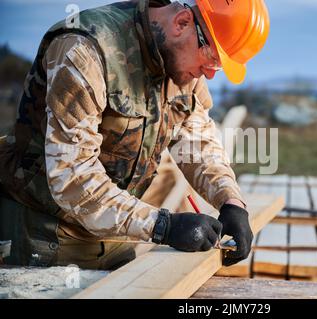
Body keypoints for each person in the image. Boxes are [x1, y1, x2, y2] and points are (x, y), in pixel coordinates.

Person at [0, 0, 269, 270]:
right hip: (44, 236)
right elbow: (72, 176)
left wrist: (231, 201)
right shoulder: (84, 51)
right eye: (212, 58)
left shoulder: (183, 63)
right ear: (183, 23)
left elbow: (196, 141)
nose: (210, 74)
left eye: (219, 66)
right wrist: (164, 225)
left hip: (116, 232)